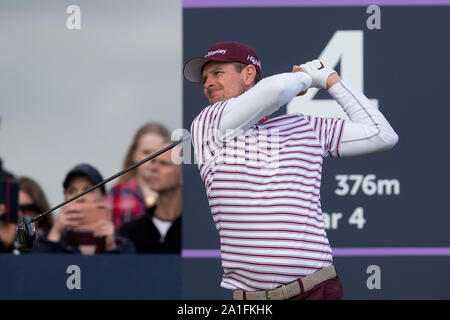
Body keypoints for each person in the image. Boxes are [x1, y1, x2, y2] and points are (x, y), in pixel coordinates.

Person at [184, 41, 398, 300]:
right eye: (205, 78)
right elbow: (278, 89)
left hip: (316, 290)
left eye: (217, 73)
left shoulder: (305, 126)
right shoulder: (208, 123)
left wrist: (331, 80)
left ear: (249, 74)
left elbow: (382, 134)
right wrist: (307, 78)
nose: (208, 83)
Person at [34, 163, 136, 254]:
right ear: (65, 198)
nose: (80, 197)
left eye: (88, 190)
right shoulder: (46, 240)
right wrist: (55, 233)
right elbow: (37, 270)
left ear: (104, 198)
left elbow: (125, 273)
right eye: (72, 191)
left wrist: (111, 247)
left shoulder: (123, 244)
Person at [119, 143, 182, 253]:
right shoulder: (129, 232)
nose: (153, 168)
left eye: (164, 163)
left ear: (183, 175)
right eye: (153, 161)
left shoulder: (198, 231)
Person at [109, 122, 171, 230]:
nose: (153, 159)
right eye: (146, 152)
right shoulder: (116, 193)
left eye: (159, 153)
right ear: (134, 154)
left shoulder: (178, 194)